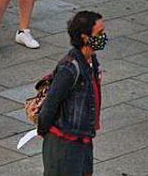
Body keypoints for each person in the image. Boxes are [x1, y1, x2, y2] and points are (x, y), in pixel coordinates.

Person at [36, 11, 104, 176]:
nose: (104, 37)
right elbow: (51, 103)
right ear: (85, 37)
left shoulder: (91, 61)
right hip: (65, 142)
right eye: (100, 33)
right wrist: (43, 130)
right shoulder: (70, 68)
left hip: (83, 139)